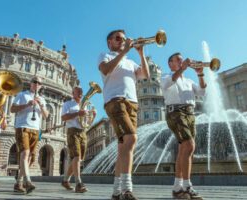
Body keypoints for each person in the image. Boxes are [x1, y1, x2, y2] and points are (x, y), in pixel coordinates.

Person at [98, 30, 150, 200]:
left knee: (123, 147)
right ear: (109, 42)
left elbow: (145, 75)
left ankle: (116, 191)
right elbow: (106, 70)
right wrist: (125, 51)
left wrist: (141, 53)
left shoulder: (130, 62)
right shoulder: (104, 55)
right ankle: (127, 188)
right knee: (131, 139)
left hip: (132, 103)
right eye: (118, 39)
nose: (122, 41)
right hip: (115, 101)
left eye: (124, 39)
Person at [160, 52, 206, 199]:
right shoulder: (166, 77)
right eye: (178, 60)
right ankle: (187, 186)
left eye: (182, 60)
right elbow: (170, 81)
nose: (181, 62)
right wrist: (183, 68)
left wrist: (200, 74)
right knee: (189, 145)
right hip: (176, 113)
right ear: (170, 64)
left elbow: (202, 92)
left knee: (184, 149)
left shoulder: (189, 81)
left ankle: (177, 187)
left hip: (190, 114)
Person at [10, 76, 48, 194]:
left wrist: (41, 105)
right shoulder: (22, 95)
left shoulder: (42, 99)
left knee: (30, 157)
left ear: (41, 86)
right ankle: (28, 181)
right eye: (35, 81)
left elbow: (46, 115)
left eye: (39, 83)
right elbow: (12, 109)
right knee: (25, 153)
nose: (37, 84)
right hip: (23, 127)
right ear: (30, 83)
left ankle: (18, 183)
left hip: (36, 129)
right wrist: (27, 105)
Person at [61, 86, 90, 193]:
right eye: (78, 92)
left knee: (77, 159)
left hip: (83, 132)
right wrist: (78, 113)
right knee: (76, 157)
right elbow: (63, 118)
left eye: (81, 92)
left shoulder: (85, 105)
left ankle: (65, 180)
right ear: (73, 93)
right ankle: (78, 183)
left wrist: (93, 116)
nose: (80, 94)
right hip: (72, 131)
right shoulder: (68, 104)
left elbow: (86, 122)